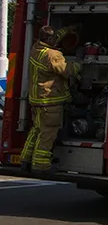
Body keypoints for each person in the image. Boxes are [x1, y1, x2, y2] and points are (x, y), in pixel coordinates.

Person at [20, 25, 82, 177]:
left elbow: (54, 36)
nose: (56, 40)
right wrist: (81, 62)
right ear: (48, 39)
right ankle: (41, 166)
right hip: (50, 102)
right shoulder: (53, 55)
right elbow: (68, 71)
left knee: (36, 130)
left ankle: (25, 160)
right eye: (53, 38)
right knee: (48, 133)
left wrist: (67, 29)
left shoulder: (36, 49)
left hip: (37, 101)